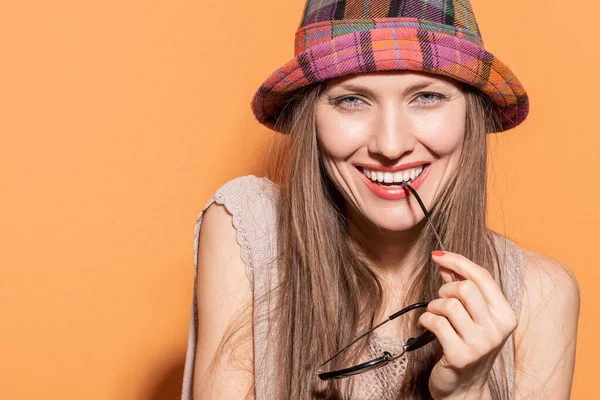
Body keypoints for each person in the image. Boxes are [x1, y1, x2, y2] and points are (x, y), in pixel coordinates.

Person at [182, 1, 580, 399]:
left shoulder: (540, 295)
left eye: (426, 97)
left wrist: (465, 391)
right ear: (311, 119)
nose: (391, 146)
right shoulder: (249, 231)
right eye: (352, 100)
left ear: (470, 116)